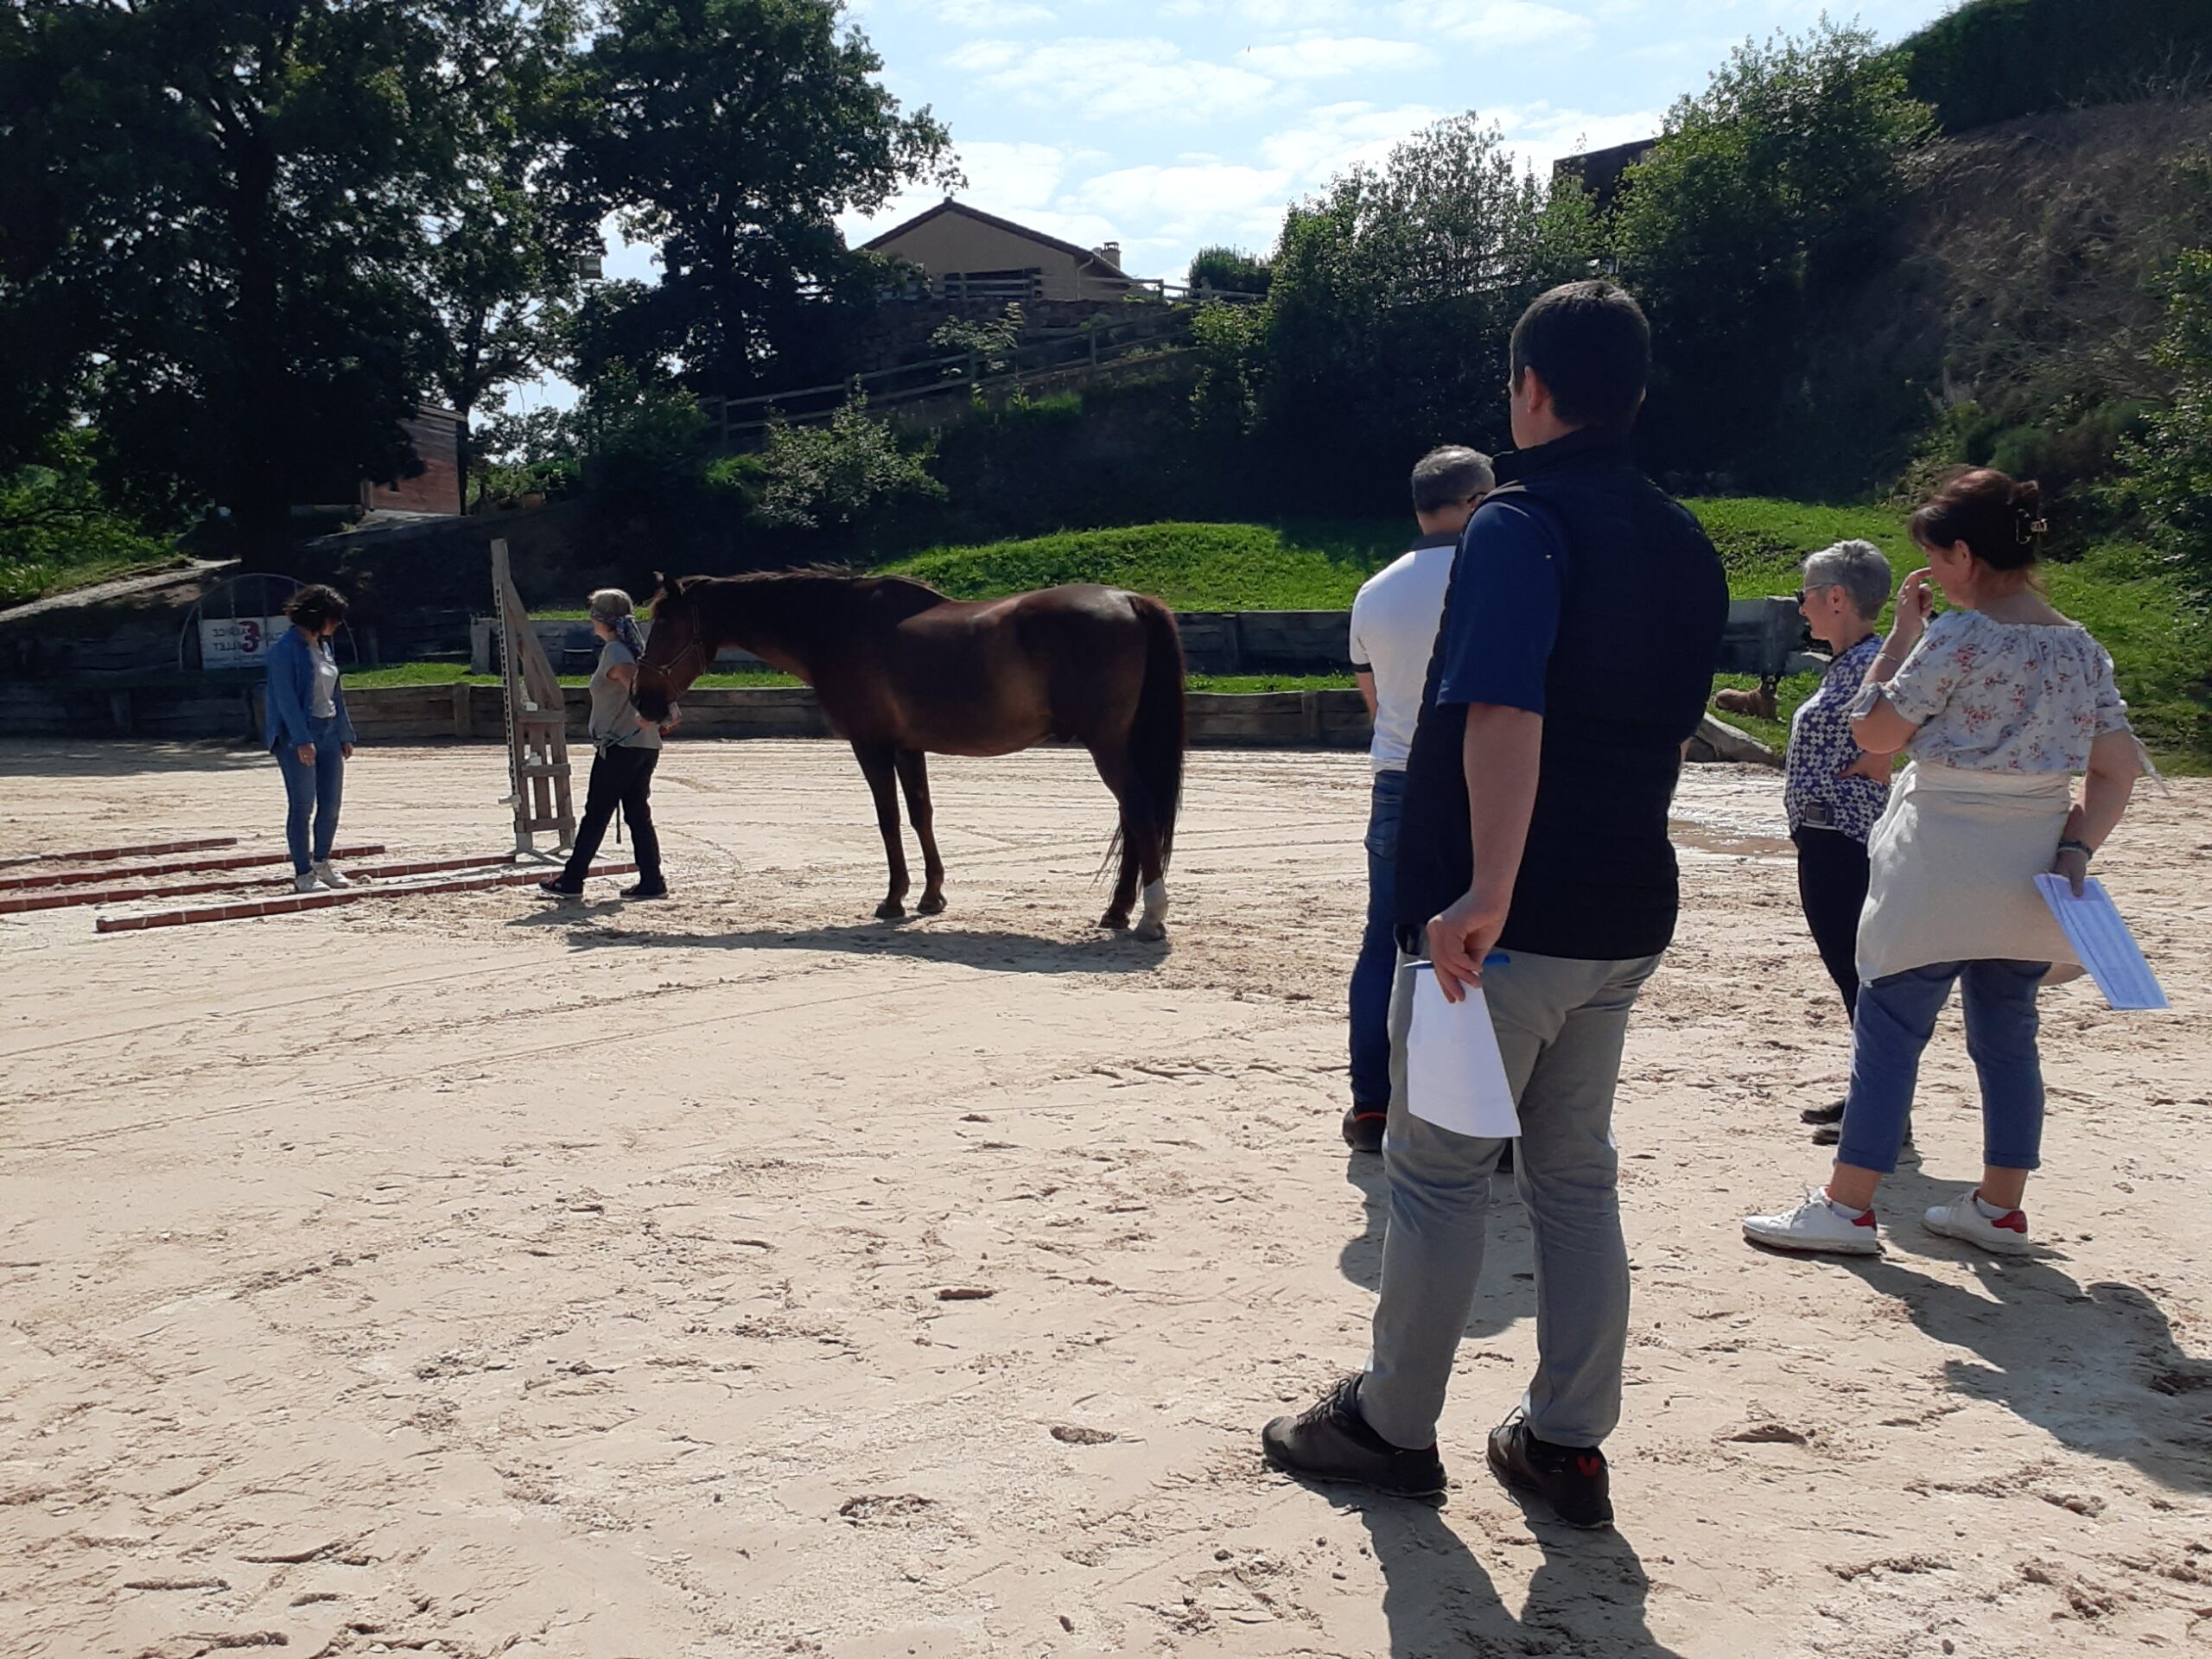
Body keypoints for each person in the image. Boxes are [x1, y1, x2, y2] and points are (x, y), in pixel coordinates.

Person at [1262, 281, 1727, 1528]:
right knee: (1575, 1175)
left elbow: (1506, 712)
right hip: (1626, 908)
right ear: (1633, 392)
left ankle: (1390, 1425)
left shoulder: (1517, 529)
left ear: (1530, 388)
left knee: (1439, 1175)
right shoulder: (1685, 538)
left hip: (1500, 926)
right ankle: (1566, 1444)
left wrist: (1485, 891)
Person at [1744, 469, 2145, 1257]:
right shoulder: (2080, 647)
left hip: (1939, 853)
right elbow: (2117, 767)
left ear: (1961, 554)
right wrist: (2075, 847)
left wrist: (1897, 640)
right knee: (2008, 1036)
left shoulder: (1959, 638)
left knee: (1891, 1028)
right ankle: (1999, 1209)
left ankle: (1849, 1206)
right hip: (2032, 860)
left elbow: (1877, 737)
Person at [1341, 445, 1494, 1154]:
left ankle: (1373, 1102)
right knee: (1494, 943)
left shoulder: (1375, 591)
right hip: (1486, 780)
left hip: (1400, 779)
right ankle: (1478, 1110)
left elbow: (1376, 702)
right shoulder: (1498, 577)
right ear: (1472, 502)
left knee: (1386, 941)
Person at [1783, 539, 1896, 1145]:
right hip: (1828, 836)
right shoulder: (1854, 661)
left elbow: (1915, 715)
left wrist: (1886, 753)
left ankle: (1881, 1110)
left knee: (1860, 975)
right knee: (1852, 973)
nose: (1801, 609)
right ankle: (1870, 1093)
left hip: (1845, 839)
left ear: (1835, 597)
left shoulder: (1878, 660)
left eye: (1806, 596)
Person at [538, 589, 672, 900]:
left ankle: (572, 880)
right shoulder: (632, 649)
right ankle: (651, 879)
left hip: (621, 746)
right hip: (642, 745)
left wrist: (647, 711)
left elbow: (635, 685)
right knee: (637, 812)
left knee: (597, 812)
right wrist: (660, 714)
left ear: (601, 619)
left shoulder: (616, 652)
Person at [264, 583, 357, 894]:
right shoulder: (284, 650)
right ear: (318, 616)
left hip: (329, 730)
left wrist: (344, 732)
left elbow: (335, 693)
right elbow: (286, 699)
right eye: (334, 618)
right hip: (297, 735)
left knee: (331, 803)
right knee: (302, 804)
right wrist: (302, 739)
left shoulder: (324, 647)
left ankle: (322, 861)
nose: (338, 625)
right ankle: (303, 873)